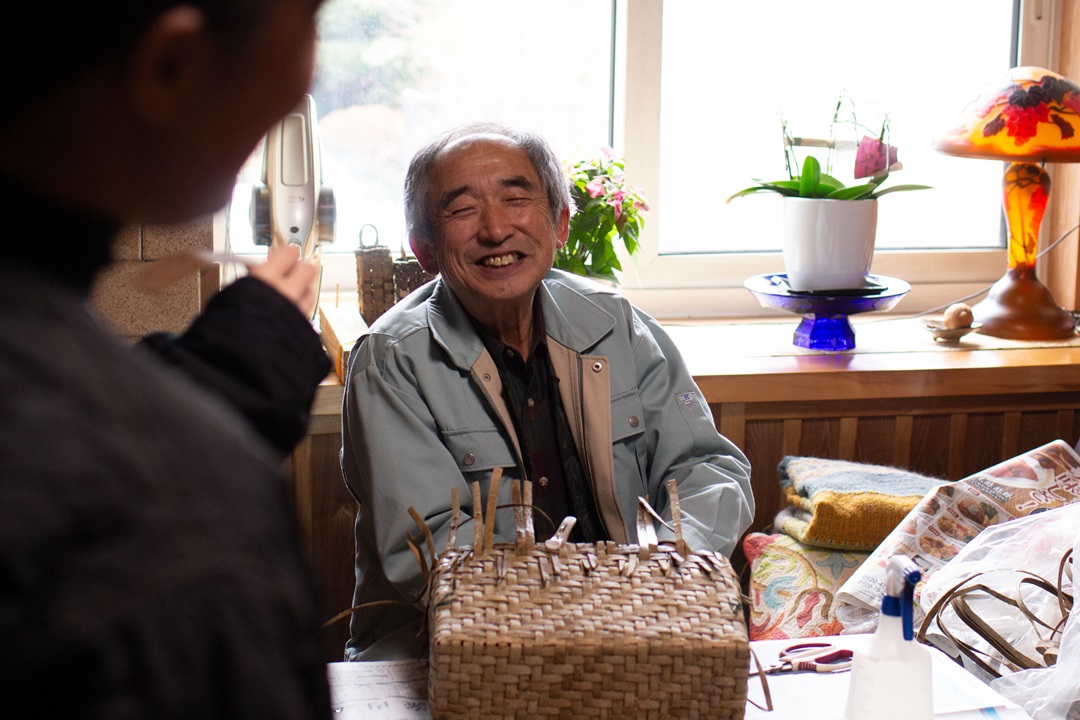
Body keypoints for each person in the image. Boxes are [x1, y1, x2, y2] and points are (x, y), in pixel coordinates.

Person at [0, 1, 334, 718]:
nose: (311, 77)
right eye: (313, 20)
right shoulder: (179, 525)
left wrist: (244, 356)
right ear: (170, 66)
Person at [340, 122, 754, 660]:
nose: (495, 229)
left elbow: (708, 468)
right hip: (449, 651)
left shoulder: (618, 326)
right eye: (463, 210)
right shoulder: (391, 358)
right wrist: (579, 611)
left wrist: (666, 571)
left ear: (558, 223)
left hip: (633, 632)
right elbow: (428, 550)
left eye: (516, 199)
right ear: (424, 249)